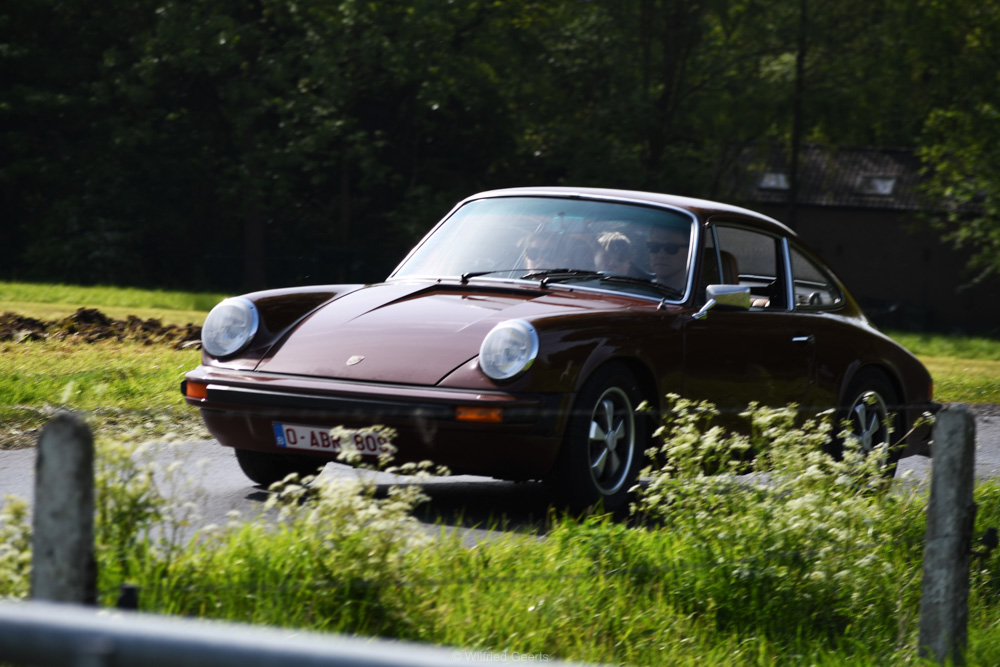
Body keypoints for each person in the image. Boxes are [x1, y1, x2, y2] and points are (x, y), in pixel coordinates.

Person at [646, 225, 689, 293]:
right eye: (654, 246)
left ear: (690, 251)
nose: (661, 255)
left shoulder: (703, 301)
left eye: (671, 248)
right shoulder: (636, 292)